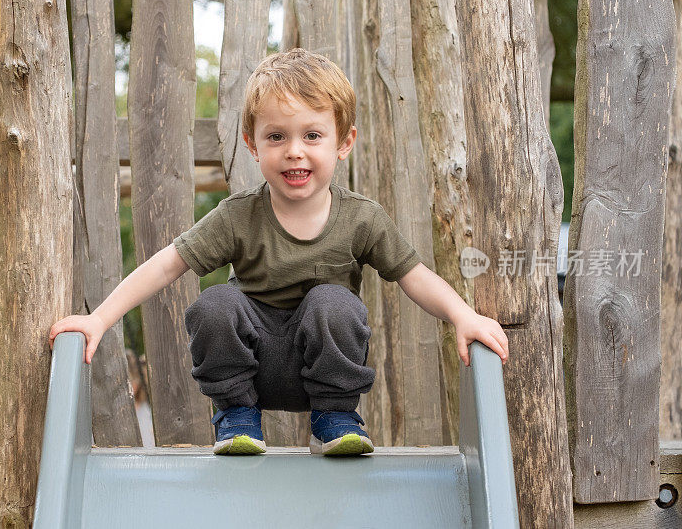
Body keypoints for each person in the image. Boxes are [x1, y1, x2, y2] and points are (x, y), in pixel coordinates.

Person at [49, 48, 509, 457]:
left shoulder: (362, 219)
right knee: (215, 303)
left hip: (324, 367)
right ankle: (236, 420)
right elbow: (168, 263)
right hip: (250, 366)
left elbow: (415, 276)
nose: (294, 152)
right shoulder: (238, 217)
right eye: (276, 137)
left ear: (343, 143)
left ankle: (335, 419)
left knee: (334, 302)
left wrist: (461, 315)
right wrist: (99, 319)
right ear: (252, 144)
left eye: (312, 135)